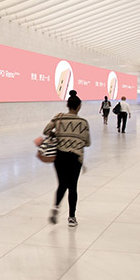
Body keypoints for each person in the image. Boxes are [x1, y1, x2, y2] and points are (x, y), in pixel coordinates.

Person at [45, 91, 90, 227]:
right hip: (75, 157)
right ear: (79, 106)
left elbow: (46, 131)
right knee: (73, 186)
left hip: (60, 156)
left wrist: (58, 133)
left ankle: (56, 206)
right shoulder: (83, 122)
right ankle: (71, 217)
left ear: (67, 105)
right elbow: (87, 142)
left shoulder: (59, 118)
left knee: (62, 184)